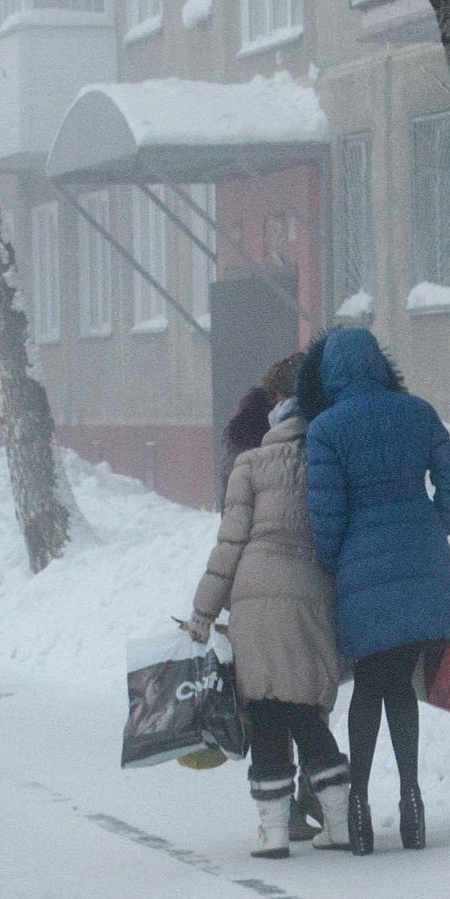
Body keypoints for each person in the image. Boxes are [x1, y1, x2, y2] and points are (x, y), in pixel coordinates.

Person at [298, 327, 450, 854]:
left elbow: (325, 516)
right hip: (423, 560)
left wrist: (339, 561)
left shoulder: (326, 429)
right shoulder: (416, 412)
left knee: (369, 686)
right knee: (401, 684)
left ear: (330, 375)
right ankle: (412, 798)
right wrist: (433, 523)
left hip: (362, 568)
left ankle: (359, 808)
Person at [189, 358, 351, 858]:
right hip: (313, 595)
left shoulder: (250, 465)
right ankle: (340, 822)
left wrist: (202, 611)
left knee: (264, 713)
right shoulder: (330, 461)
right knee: (306, 711)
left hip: (255, 598)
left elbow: (230, 545)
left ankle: (274, 832)